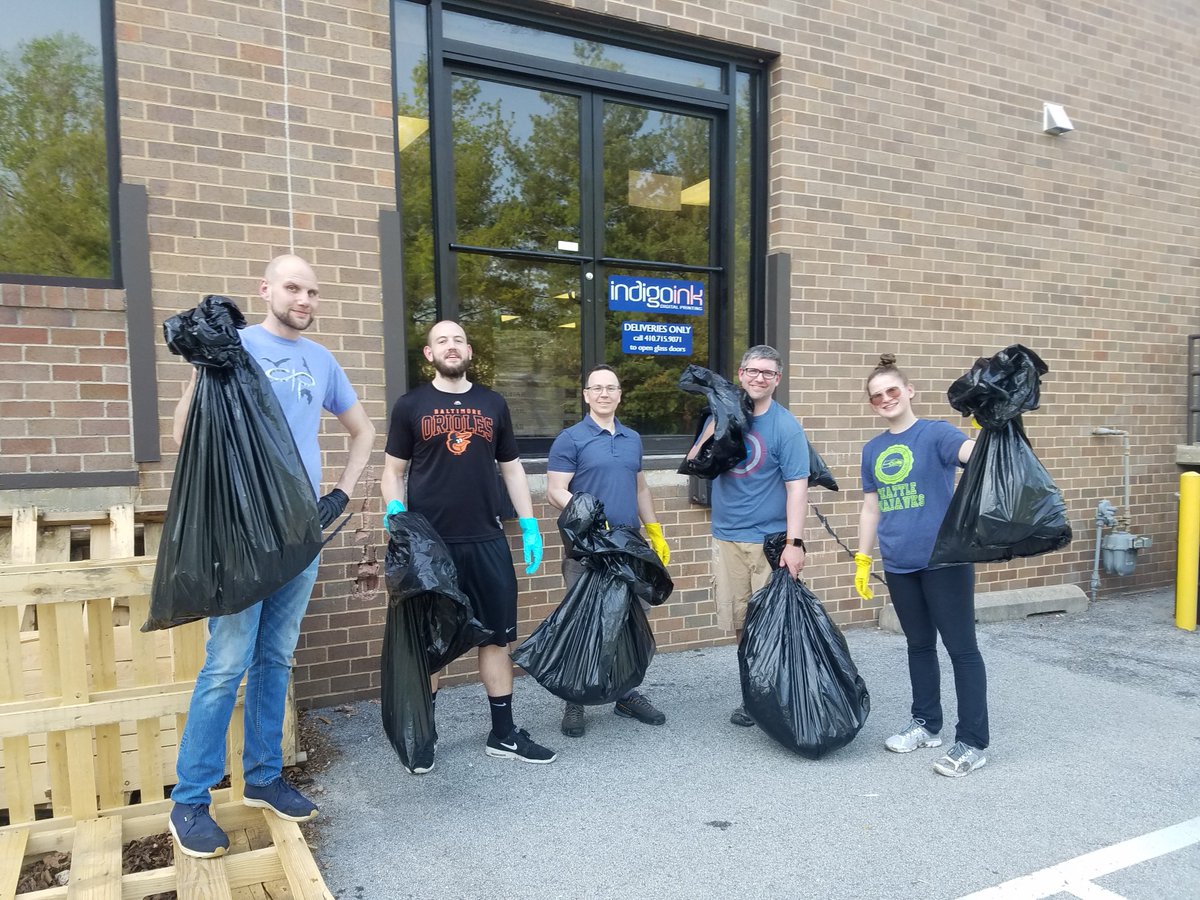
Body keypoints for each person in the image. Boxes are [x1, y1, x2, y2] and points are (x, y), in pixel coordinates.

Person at [168, 254, 375, 857]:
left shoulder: (322, 361)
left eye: (313, 291)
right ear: (265, 290)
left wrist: (340, 494)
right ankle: (190, 800)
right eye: (292, 287)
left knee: (276, 657)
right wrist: (201, 368)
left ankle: (263, 777)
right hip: (239, 532)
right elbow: (183, 434)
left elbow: (363, 431)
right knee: (226, 662)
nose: (304, 299)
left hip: (299, 532)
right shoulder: (233, 348)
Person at [382, 320, 556, 773]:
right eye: (442, 340)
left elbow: (512, 469)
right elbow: (393, 471)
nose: (451, 346)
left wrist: (530, 524)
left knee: (497, 637)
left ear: (469, 350)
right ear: (429, 354)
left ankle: (504, 734)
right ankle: (424, 736)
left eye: (458, 340)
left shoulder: (492, 403)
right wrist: (395, 511)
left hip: (487, 539)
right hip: (430, 549)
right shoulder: (410, 406)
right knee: (428, 642)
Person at [854, 352, 988, 777]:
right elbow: (871, 508)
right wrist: (863, 558)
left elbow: (973, 454)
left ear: (909, 391)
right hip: (899, 563)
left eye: (892, 390)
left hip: (944, 561)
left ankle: (972, 742)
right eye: (877, 396)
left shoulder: (936, 434)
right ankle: (927, 724)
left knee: (962, 650)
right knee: (919, 646)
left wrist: (984, 424)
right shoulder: (873, 449)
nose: (886, 399)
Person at [688, 345, 810, 727]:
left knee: (774, 623)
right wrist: (715, 423)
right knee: (741, 621)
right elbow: (694, 461)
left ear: (777, 379)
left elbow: (797, 488)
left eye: (768, 373)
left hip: (768, 542)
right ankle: (754, 694)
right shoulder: (722, 416)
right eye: (753, 371)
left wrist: (794, 544)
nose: (759, 378)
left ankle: (782, 698)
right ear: (741, 374)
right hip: (727, 537)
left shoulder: (785, 426)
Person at [546, 364, 671, 738]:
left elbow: (640, 488)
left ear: (619, 394)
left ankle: (625, 694)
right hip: (588, 547)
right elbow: (555, 491)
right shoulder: (570, 439)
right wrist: (591, 516)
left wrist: (654, 530)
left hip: (628, 546)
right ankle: (574, 699)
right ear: (586, 395)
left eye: (611, 388)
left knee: (629, 622)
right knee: (582, 623)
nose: (604, 393)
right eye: (596, 388)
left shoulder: (632, 439)